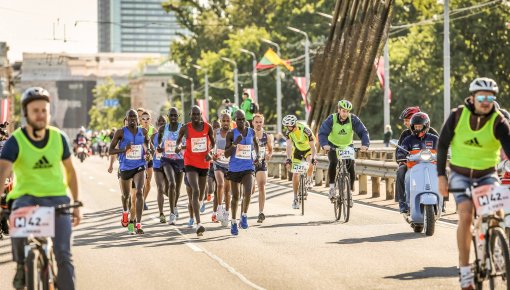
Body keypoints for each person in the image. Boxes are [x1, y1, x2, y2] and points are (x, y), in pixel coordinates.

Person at [0, 87, 81, 289]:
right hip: (26, 199)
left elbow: (70, 172)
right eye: (35, 110)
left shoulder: (59, 138)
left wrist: (76, 203)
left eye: (44, 110)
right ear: (26, 113)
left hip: (57, 200)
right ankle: (21, 265)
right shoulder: (15, 141)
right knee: (17, 232)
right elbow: (2, 174)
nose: (40, 115)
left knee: (63, 255)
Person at [437, 77, 510, 290]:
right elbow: (442, 146)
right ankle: (466, 270)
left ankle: (497, 248)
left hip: (487, 174)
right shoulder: (457, 115)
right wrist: (441, 176)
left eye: (490, 97)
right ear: (473, 97)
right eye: (481, 97)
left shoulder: (498, 121)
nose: (486, 101)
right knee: (466, 215)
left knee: (496, 211)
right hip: (460, 175)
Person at [109, 109, 152, 235]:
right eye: (130, 117)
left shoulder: (143, 131)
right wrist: (123, 149)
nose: (133, 119)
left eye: (135, 117)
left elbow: (148, 143)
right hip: (125, 167)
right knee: (127, 197)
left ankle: (138, 224)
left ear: (137, 119)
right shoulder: (120, 132)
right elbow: (111, 150)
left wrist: (148, 151)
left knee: (138, 194)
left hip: (139, 166)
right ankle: (125, 212)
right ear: (127, 119)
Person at [318, 100, 369, 201]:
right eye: (343, 111)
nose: (345, 113)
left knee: (351, 166)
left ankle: (349, 192)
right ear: (339, 110)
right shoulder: (331, 119)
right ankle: (332, 188)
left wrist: (365, 144)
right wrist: (324, 145)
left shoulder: (353, 119)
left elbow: (363, 132)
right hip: (333, 145)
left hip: (347, 146)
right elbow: (322, 133)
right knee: (333, 162)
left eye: (347, 111)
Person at [175, 106, 215, 236]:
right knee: (195, 190)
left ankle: (195, 211)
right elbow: (178, 141)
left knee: (201, 195)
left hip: (204, 162)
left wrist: (211, 153)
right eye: (193, 114)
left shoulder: (208, 127)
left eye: (198, 114)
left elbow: (213, 144)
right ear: (190, 115)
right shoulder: (185, 128)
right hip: (190, 162)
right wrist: (178, 146)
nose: (196, 116)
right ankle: (198, 224)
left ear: (201, 114)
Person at [395, 106, 440, 213]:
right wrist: (401, 158)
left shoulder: (433, 135)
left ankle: (443, 201)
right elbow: (400, 149)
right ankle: (402, 202)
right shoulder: (406, 136)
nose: (417, 128)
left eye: (407, 120)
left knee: (445, 172)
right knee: (401, 171)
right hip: (412, 164)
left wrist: (445, 155)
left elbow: (441, 147)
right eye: (415, 125)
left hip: (431, 164)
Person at [224, 110, 259, 235]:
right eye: (238, 119)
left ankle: (244, 215)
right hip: (234, 169)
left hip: (248, 167)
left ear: (245, 120)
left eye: (243, 119)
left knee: (248, 192)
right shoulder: (231, 134)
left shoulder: (251, 132)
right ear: (235, 120)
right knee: (236, 197)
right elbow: (226, 154)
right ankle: (233, 221)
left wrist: (257, 157)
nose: (241, 121)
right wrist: (234, 144)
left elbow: (255, 145)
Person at [157, 108, 185, 225]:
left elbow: (188, 142)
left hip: (179, 160)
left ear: (178, 116)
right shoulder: (163, 128)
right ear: (168, 116)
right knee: (172, 183)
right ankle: (172, 213)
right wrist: (159, 148)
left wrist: (181, 147)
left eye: (175, 115)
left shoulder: (182, 128)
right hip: (166, 159)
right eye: (171, 115)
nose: (173, 117)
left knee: (177, 188)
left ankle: (174, 205)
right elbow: (159, 143)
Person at [282, 115, 317, 209]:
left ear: (293, 125)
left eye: (288, 126)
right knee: (295, 174)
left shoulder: (305, 130)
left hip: (308, 149)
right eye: (286, 126)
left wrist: (314, 157)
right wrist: (288, 158)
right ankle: (295, 198)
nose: (287, 128)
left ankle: (309, 179)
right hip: (297, 151)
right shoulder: (288, 132)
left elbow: (313, 147)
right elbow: (289, 146)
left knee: (310, 162)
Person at [252, 114, 273, 223]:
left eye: (260, 122)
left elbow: (270, 149)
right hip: (249, 164)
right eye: (257, 122)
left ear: (263, 123)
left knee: (262, 186)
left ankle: (261, 212)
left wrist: (269, 155)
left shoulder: (266, 136)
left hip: (261, 163)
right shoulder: (249, 134)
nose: (259, 124)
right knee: (251, 190)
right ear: (253, 123)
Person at [212, 110, 232, 226]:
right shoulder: (216, 132)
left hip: (229, 164)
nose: (225, 122)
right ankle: (219, 208)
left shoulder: (233, 133)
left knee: (228, 190)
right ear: (220, 121)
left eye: (227, 120)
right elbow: (211, 146)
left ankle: (227, 213)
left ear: (230, 122)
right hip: (218, 163)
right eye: (223, 120)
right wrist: (212, 154)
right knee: (220, 184)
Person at [152, 115, 168, 223]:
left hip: (169, 163)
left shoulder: (171, 136)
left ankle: (172, 206)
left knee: (170, 188)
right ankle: (161, 213)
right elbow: (148, 149)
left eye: (164, 122)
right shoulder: (153, 136)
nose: (162, 123)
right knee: (159, 188)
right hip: (157, 164)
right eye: (160, 121)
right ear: (157, 124)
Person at [140, 111, 156, 210]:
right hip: (139, 159)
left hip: (150, 158)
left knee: (148, 182)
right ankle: (137, 198)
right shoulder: (137, 130)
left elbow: (157, 144)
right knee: (140, 181)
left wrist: (151, 153)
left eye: (147, 119)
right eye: (143, 119)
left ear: (150, 120)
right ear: (140, 120)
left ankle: (143, 200)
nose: (146, 121)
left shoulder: (153, 130)